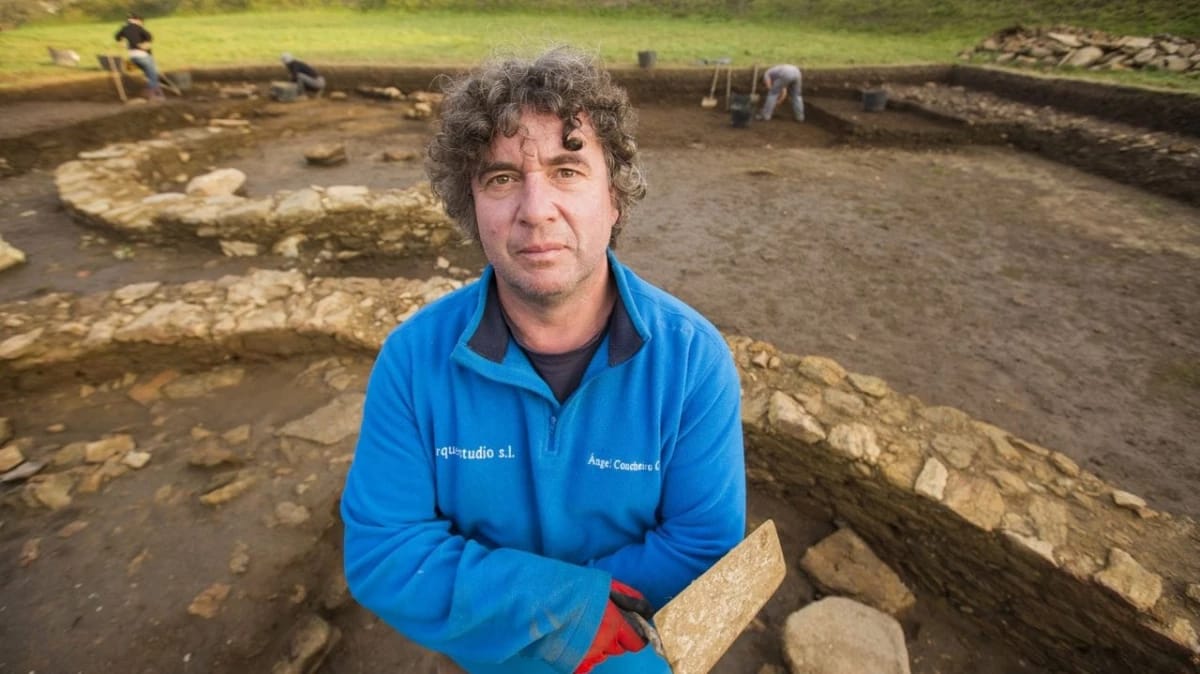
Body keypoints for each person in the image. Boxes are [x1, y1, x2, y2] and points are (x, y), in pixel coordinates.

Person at [340, 46, 747, 674]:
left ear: (615, 198)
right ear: (471, 207)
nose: (535, 209)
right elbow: (384, 549)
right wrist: (565, 610)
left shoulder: (692, 361)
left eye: (567, 169)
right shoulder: (412, 361)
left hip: (623, 649)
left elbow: (701, 544)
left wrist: (532, 614)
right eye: (501, 178)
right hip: (484, 656)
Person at [113, 13, 162, 100]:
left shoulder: (124, 28)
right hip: (143, 55)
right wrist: (146, 44)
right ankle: (154, 94)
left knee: (148, 73)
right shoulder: (138, 27)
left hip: (133, 56)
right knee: (152, 74)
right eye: (141, 22)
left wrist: (122, 42)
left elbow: (117, 37)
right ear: (137, 20)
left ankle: (153, 91)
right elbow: (149, 36)